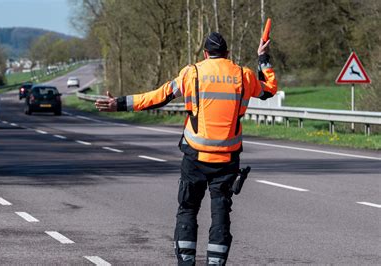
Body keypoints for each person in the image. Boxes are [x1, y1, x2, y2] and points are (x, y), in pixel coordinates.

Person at [95, 32, 277, 265]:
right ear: (227, 54)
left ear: (205, 54)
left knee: (188, 209)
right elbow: (270, 89)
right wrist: (263, 58)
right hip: (227, 160)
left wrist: (119, 103)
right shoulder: (244, 75)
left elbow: (158, 97)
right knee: (220, 213)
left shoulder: (192, 73)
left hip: (195, 157)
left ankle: (186, 262)